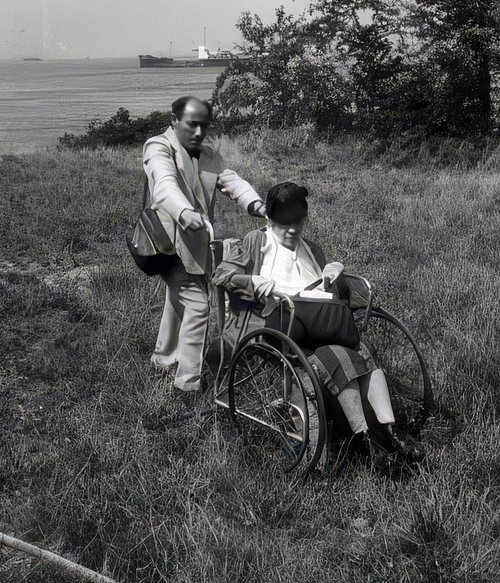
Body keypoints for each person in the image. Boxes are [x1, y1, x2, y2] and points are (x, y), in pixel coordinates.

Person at [212, 181, 406, 457]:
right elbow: (222, 275)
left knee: (354, 359)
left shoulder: (311, 250)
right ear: (269, 218)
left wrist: (331, 277)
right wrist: (253, 281)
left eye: (298, 223)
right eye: (284, 223)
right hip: (275, 326)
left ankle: (388, 432)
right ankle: (365, 437)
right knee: (331, 359)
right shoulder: (255, 242)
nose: (292, 230)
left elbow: (331, 295)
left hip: (315, 325)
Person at [143, 95, 265, 400]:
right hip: (164, 241)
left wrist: (258, 205)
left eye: (204, 126)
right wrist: (184, 212)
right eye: (191, 124)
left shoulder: (208, 154)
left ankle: (162, 359)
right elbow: (164, 184)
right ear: (174, 120)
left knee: (179, 298)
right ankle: (188, 384)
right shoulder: (158, 147)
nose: (198, 132)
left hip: (194, 243)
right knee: (197, 305)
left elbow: (230, 181)